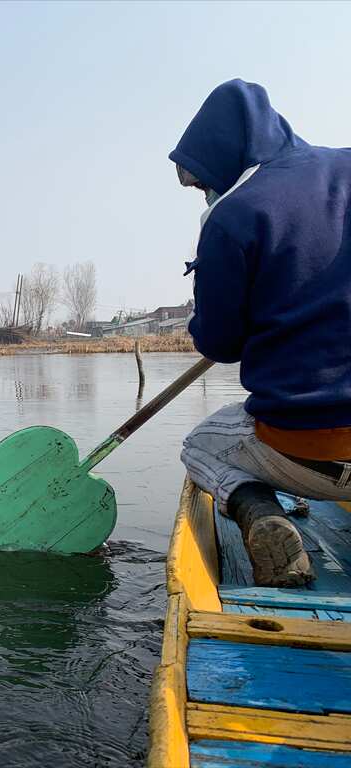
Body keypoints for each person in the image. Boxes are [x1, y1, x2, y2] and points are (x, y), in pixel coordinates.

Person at [173, 79, 351, 587]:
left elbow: (219, 344)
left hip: (308, 451)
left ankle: (258, 511)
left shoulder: (233, 216)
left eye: (199, 182)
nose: (203, 192)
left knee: (199, 445)